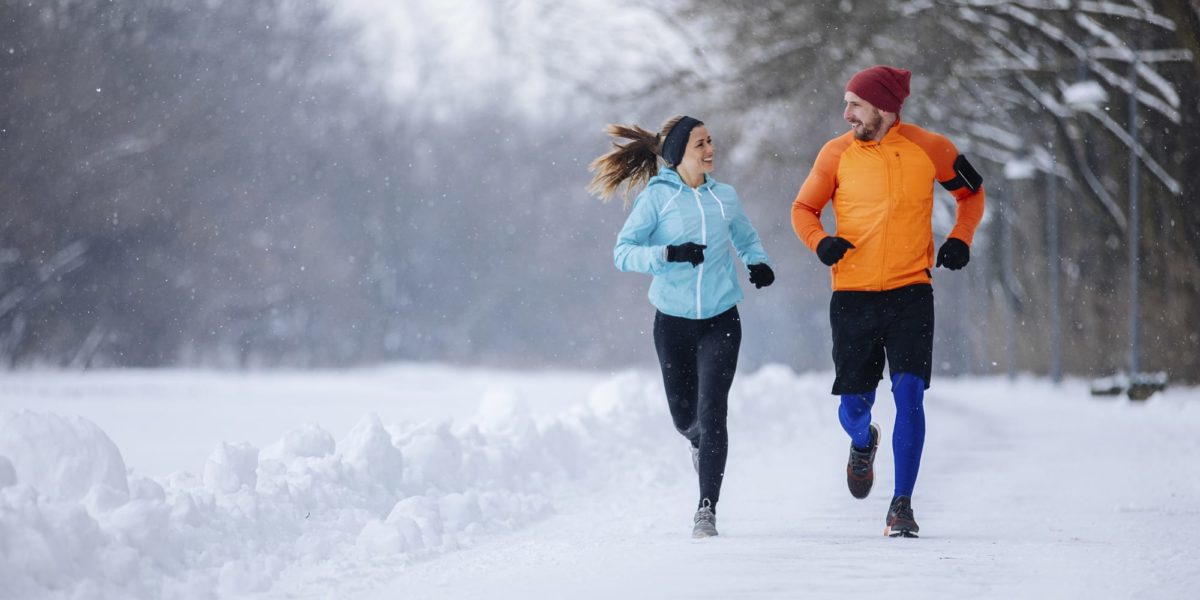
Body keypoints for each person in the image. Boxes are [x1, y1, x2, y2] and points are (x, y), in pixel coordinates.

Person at [790, 66, 985, 538]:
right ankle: (863, 441)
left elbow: (972, 193)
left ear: (884, 106)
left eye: (855, 103)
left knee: (909, 394)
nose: (846, 112)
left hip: (911, 292)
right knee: (854, 407)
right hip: (852, 296)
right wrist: (820, 242)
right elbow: (802, 209)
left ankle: (902, 505)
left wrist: (960, 238)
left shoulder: (930, 147)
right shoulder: (835, 153)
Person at [588, 115, 775, 539]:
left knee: (714, 412)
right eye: (700, 145)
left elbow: (745, 239)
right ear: (677, 155)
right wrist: (668, 254)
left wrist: (757, 262)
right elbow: (623, 252)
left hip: (721, 319)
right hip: (672, 322)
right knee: (685, 417)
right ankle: (695, 440)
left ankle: (706, 508)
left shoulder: (725, 196)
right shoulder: (657, 199)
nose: (710, 150)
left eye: (711, 141)